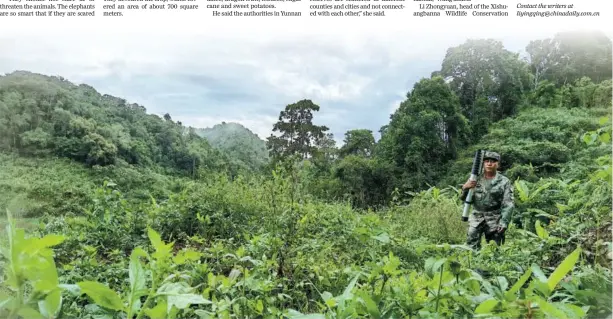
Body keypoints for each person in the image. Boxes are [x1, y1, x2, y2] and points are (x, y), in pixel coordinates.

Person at [460, 151, 514, 250]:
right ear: (483, 163)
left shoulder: (504, 181)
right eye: (487, 161)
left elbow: (508, 204)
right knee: (471, 247)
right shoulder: (475, 178)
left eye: (493, 161)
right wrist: (465, 187)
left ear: (497, 164)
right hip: (477, 217)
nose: (489, 163)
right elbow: (464, 199)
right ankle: (472, 265)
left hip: (495, 218)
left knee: (495, 248)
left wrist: (504, 222)